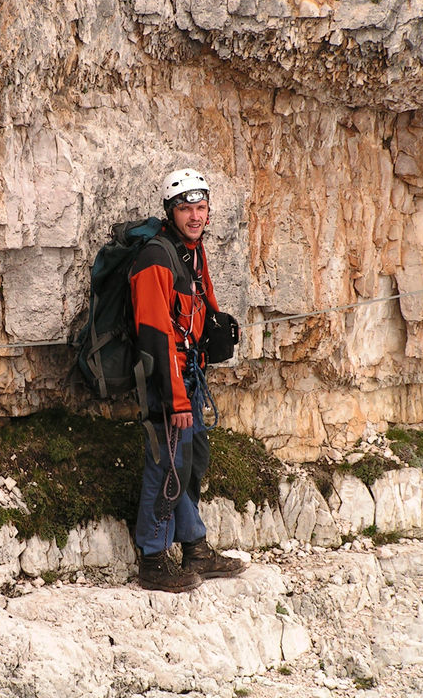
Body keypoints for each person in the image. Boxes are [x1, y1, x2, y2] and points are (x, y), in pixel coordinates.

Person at [128, 168, 246, 592]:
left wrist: (218, 328)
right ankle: (153, 559)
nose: (195, 216)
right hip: (164, 378)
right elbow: (155, 337)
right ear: (170, 212)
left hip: (189, 375)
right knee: (167, 466)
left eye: (200, 207)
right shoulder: (156, 259)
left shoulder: (192, 253)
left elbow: (202, 302)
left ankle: (195, 547)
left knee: (191, 461)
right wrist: (175, 400)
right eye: (186, 209)